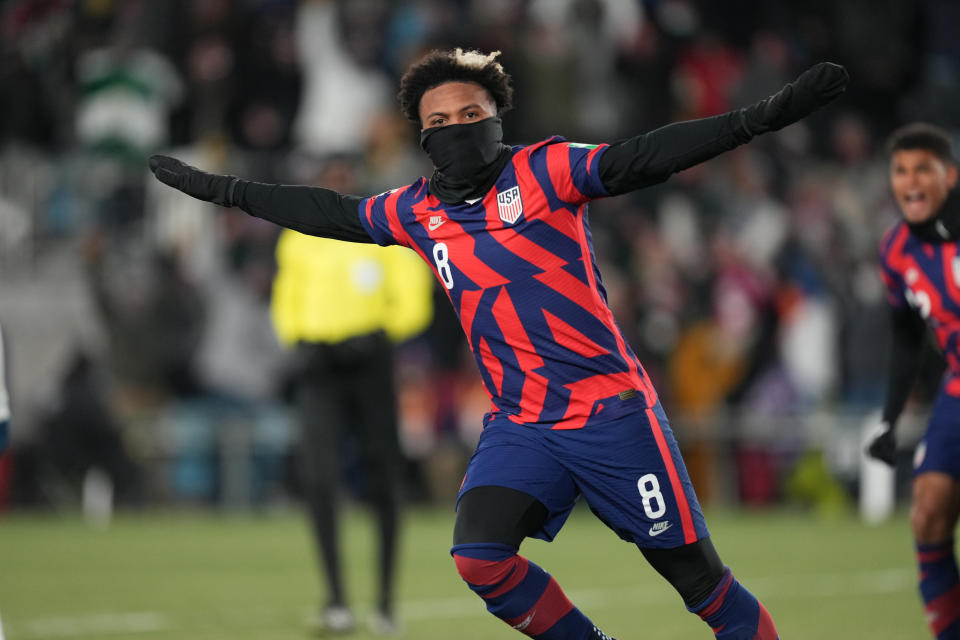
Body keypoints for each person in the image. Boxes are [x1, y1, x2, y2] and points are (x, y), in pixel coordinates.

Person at [150, 48, 848, 640]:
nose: (456, 130)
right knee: (480, 558)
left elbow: (642, 158)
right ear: (421, 138)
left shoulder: (547, 171)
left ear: (498, 118)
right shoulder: (417, 210)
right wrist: (229, 191)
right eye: (438, 123)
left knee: (702, 588)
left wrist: (760, 118)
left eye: (470, 116)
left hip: (611, 414)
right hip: (523, 424)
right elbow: (331, 213)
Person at [269, 156, 434, 634]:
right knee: (319, 478)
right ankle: (337, 600)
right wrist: (297, 339)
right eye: (331, 177)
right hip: (319, 367)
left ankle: (384, 602)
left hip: (369, 365)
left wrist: (381, 334)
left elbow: (412, 298)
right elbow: (287, 297)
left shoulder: (383, 229)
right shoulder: (300, 234)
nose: (337, 184)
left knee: (383, 478)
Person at [867, 122, 960, 640]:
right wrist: (888, 419)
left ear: (950, 175)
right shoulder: (896, 251)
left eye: (923, 168)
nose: (911, 181)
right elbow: (906, 340)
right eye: (901, 170)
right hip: (958, 387)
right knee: (927, 515)